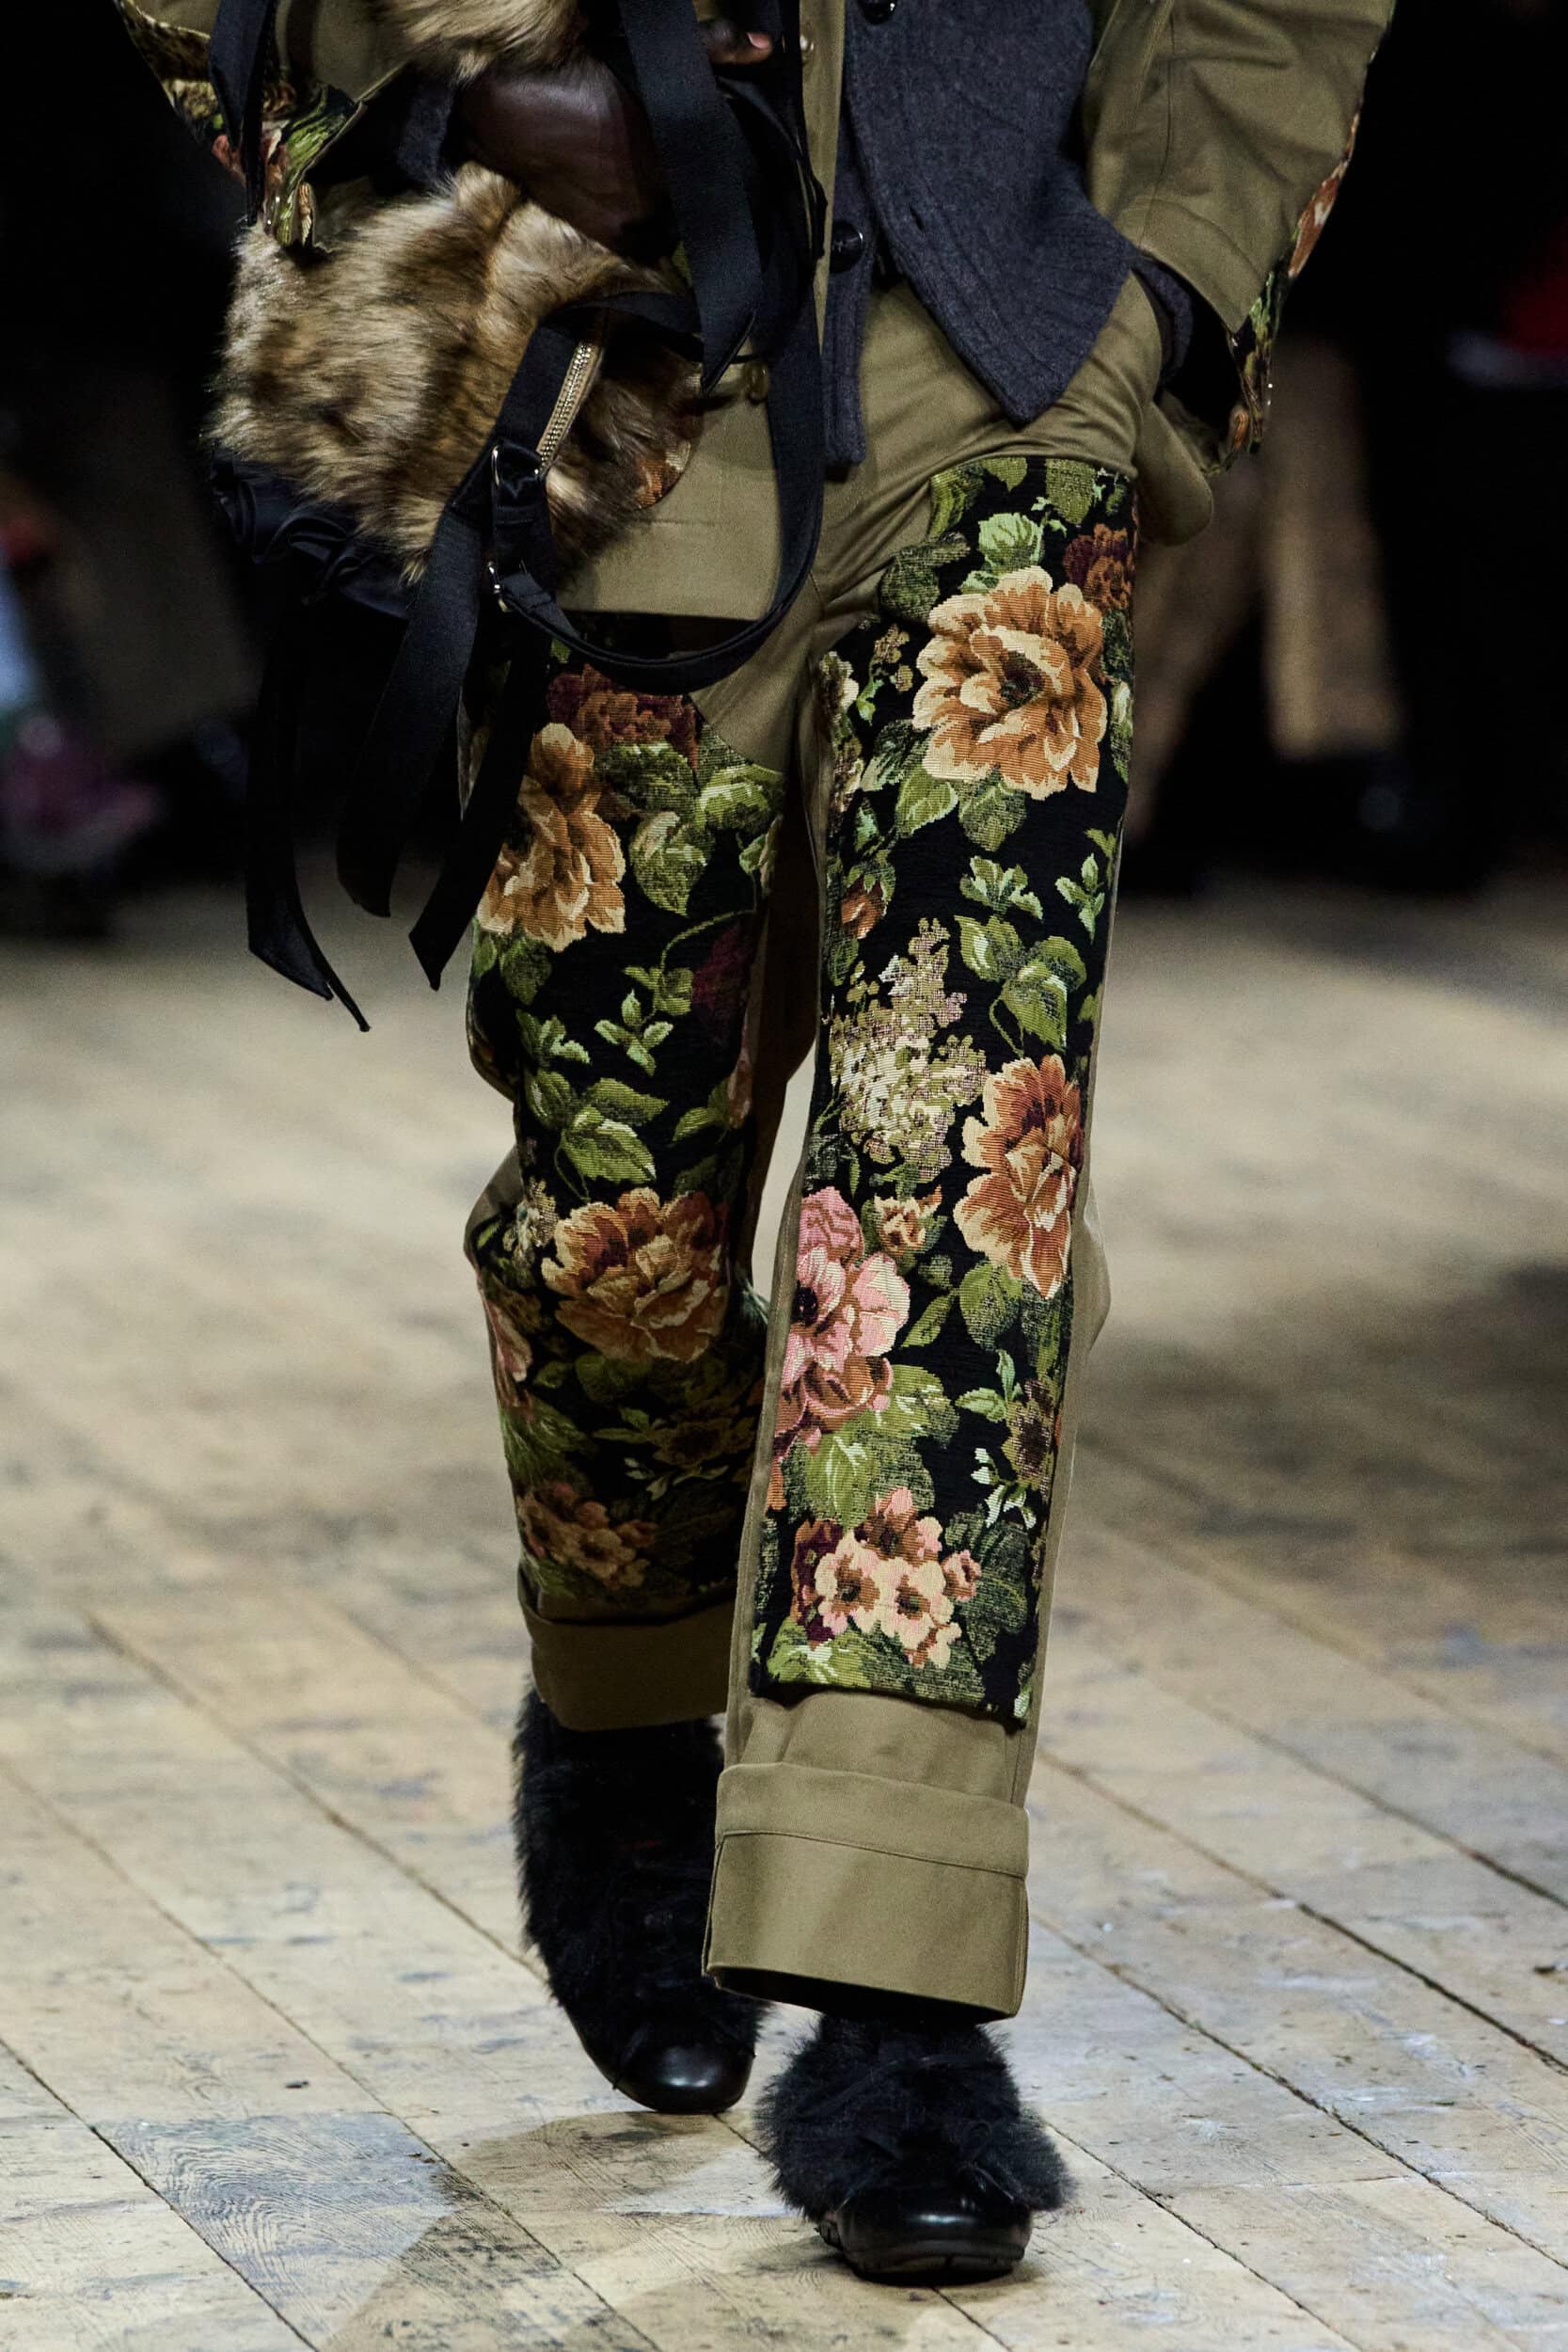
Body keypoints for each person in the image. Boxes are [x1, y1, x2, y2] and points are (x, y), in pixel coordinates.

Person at [114, 0, 1390, 2285]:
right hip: (615, 394)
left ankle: (899, 1997)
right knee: (618, 1218)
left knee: (962, 1170)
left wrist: (1168, 287)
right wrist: (431, 108)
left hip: (1016, 390)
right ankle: (623, 1709)